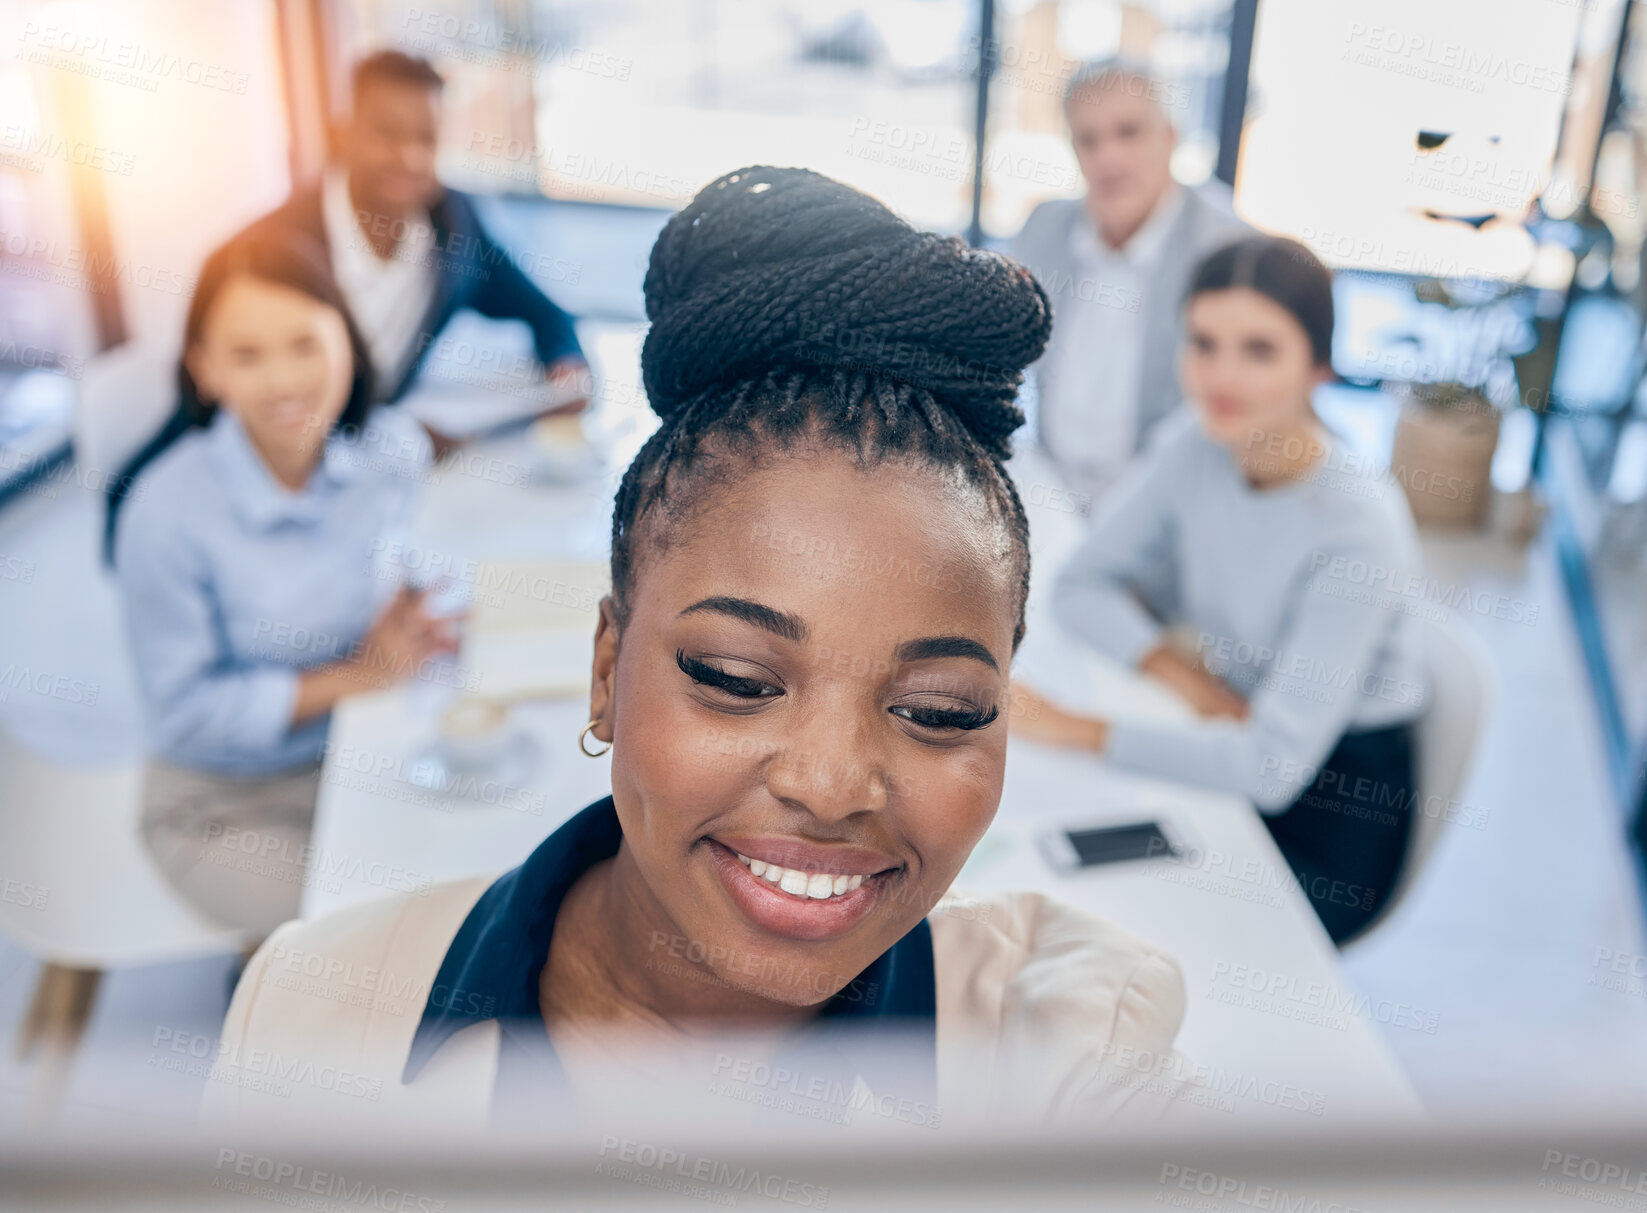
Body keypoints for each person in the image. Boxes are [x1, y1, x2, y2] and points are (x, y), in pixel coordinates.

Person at [204, 166, 1192, 1132]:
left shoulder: (1074, 1056)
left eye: (937, 709)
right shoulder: (309, 1024)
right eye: (738, 680)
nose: (832, 782)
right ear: (605, 672)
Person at [1013, 237, 1429, 945]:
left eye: (1259, 350)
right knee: (1054, 894)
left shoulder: (1357, 528)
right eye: (1203, 343)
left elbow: (1269, 768)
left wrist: (1076, 730)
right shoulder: (1195, 441)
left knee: (1119, 938)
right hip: (1227, 730)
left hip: (1326, 818)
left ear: (1318, 367)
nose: (1221, 375)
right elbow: (1079, 585)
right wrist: (1182, 676)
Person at [109, 226, 460, 936]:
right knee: (372, 939)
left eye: (304, 344)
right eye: (246, 355)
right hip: (223, 798)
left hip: (358, 750)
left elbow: (396, 553)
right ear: (205, 369)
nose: (284, 381)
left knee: (472, 890)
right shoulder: (163, 513)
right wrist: (354, 676)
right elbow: (183, 713)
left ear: (346, 339)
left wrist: (414, 605)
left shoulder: (391, 450)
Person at [251, 50, 586, 424]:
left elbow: (544, 311)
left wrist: (565, 363)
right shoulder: (274, 245)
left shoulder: (455, 223)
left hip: (388, 454)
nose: (409, 157)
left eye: (426, 138)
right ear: (345, 134)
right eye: (388, 134)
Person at [1011, 56, 1253, 505]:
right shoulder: (1044, 228)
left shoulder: (1227, 248)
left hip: (1168, 504)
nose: (1109, 158)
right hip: (1049, 492)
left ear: (1169, 137)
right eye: (1088, 139)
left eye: (1128, 132)